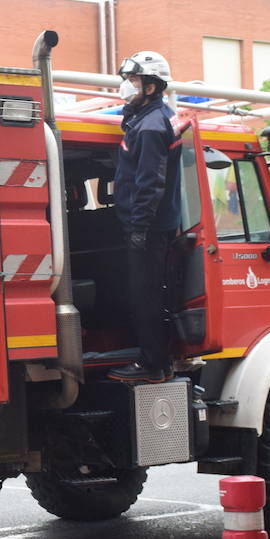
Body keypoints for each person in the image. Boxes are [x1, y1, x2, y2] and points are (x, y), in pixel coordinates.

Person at [109, 50, 182, 383]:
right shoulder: (147, 117)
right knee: (144, 293)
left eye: (133, 80)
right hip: (149, 226)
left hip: (149, 228)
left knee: (145, 296)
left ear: (151, 86)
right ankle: (156, 360)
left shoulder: (152, 126)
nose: (127, 86)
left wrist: (139, 228)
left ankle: (153, 365)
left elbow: (150, 181)